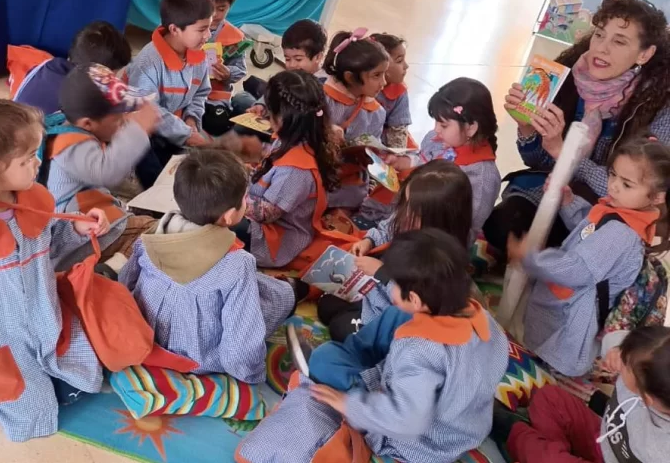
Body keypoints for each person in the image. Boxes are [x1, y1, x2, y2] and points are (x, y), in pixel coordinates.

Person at [235, 229, 509, 463]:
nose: (390, 287)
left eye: (395, 284)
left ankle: (347, 369)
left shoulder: (420, 351)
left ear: (414, 297)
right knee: (396, 315)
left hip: (422, 438)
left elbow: (407, 422)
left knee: (323, 361)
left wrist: (348, 404)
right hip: (461, 419)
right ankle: (354, 354)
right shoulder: (484, 318)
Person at [0, 92, 109, 441]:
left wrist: (76, 228)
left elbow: (46, 247)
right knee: (32, 409)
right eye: (29, 158)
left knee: (92, 368)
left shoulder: (31, 199)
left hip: (39, 317)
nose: (39, 164)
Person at [484, 0, 670, 254]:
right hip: (554, 189)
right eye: (600, 35)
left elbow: (636, 190)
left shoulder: (660, 106)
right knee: (502, 226)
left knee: (584, 256)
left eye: (619, 41)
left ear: (644, 54)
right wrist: (527, 127)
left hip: (613, 211)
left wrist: (565, 154)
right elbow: (538, 162)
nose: (601, 49)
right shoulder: (569, 77)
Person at [118, 149, 297, 384]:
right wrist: (251, 376)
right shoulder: (238, 263)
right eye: (245, 199)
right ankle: (295, 291)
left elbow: (125, 283)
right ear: (229, 216)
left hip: (146, 336)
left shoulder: (152, 234)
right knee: (281, 296)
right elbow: (239, 347)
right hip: (198, 356)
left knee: (260, 288)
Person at [507, 137, 669, 377]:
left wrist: (531, 258)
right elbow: (590, 230)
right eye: (612, 174)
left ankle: (550, 376)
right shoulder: (621, 213)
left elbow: (576, 269)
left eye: (626, 184)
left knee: (551, 356)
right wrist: (570, 203)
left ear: (657, 197)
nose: (613, 186)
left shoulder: (621, 235)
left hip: (572, 313)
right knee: (539, 334)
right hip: (565, 299)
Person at [321, 160, 474, 341]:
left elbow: (414, 304)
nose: (405, 213)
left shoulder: (442, 260)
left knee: (341, 328)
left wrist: (381, 273)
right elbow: (387, 227)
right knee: (326, 305)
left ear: (439, 218)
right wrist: (369, 241)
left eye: (415, 212)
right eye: (406, 203)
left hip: (396, 314)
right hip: (375, 292)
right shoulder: (407, 215)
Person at [43, 64, 161, 270]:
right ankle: (112, 268)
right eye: (118, 118)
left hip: (94, 221)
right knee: (158, 233)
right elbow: (107, 171)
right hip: (79, 240)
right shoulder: (69, 145)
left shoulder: (69, 127)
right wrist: (138, 130)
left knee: (146, 224)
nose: (124, 121)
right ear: (88, 123)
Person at [236, 70, 355, 270]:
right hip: (263, 213)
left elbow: (264, 214)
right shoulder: (297, 138)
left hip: (276, 239)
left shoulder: (296, 169)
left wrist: (228, 197)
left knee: (221, 224)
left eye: (269, 111)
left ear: (278, 118)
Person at [507, 326, 670, 463]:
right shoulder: (652, 361)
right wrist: (616, 349)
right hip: (601, 438)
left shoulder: (661, 450)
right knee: (550, 398)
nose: (622, 361)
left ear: (645, 398)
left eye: (626, 364)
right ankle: (550, 450)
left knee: (542, 454)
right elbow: (615, 340)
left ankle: (513, 431)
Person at [363, 78, 500, 236]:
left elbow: (468, 228)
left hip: (432, 238)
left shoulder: (482, 177)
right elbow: (423, 158)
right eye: (435, 121)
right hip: (402, 214)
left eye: (443, 125)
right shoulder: (438, 140)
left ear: (471, 127)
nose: (436, 129)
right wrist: (403, 162)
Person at [125, 0, 213, 187]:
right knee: (149, 164)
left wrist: (192, 119)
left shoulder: (198, 54)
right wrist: (185, 134)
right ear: (174, 29)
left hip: (173, 127)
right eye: (202, 29)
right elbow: (149, 112)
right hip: (141, 127)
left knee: (190, 169)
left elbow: (201, 93)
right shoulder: (148, 63)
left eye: (209, 28)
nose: (208, 35)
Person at [227, 19, 329, 157]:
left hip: (285, 133)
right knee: (241, 98)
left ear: (318, 57)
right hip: (274, 117)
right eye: (287, 59)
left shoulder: (320, 88)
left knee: (240, 129)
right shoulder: (294, 75)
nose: (291, 65)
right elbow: (274, 92)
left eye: (298, 59)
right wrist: (261, 106)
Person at [322, 29, 390, 209]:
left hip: (350, 184)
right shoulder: (321, 97)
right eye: (376, 75)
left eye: (384, 74)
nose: (383, 82)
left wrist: (374, 156)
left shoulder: (377, 112)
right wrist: (326, 130)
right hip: (316, 175)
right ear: (350, 77)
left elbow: (372, 151)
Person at [11, 21, 132, 115]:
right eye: (113, 75)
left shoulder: (45, 66)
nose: (114, 80)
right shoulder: (84, 99)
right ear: (98, 74)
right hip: (37, 142)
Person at [195, 0, 249, 136]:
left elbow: (241, 69)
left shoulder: (235, 37)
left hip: (215, 96)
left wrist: (228, 73)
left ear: (230, 6)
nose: (214, 14)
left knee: (217, 123)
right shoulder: (187, 27)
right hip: (186, 93)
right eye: (209, 8)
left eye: (221, 8)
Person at [371, 33, 412, 148]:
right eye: (399, 61)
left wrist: (395, 157)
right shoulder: (362, 86)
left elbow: (398, 131)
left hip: (383, 144)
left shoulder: (399, 90)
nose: (406, 66)